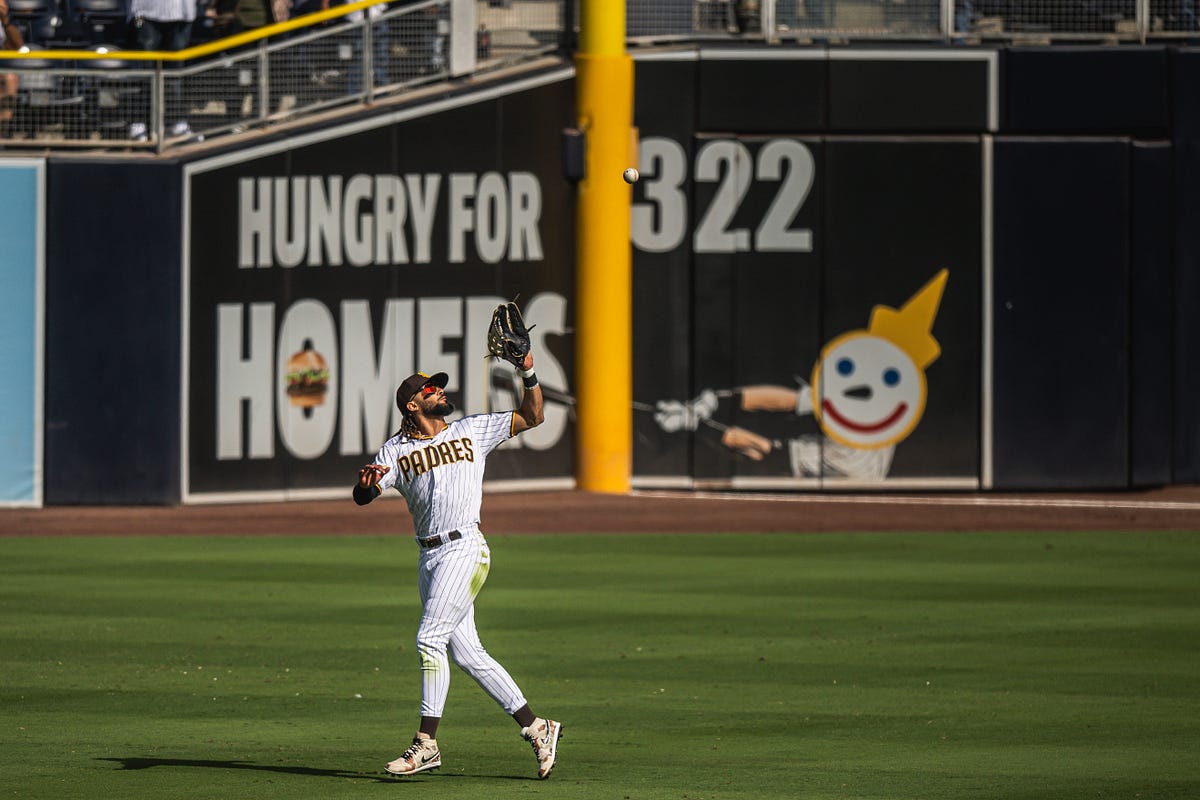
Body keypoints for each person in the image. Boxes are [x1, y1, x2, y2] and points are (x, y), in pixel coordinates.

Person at [351, 352, 564, 780]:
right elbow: (364, 494)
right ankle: (538, 727)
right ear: (413, 404)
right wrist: (366, 485)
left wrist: (527, 370)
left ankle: (426, 743)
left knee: (430, 638)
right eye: (431, 389)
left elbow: (533, 416)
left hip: (466, 548)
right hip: (429, 558)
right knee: (467, 653)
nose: (440, 391)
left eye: (439, 386)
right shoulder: (395, 450)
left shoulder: (472, 430)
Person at [128, 0, 196, 139]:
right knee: (145, 73)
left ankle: (176, 123)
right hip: (145, 12)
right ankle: (140, 123)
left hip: (182, 14)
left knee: (175, 74)